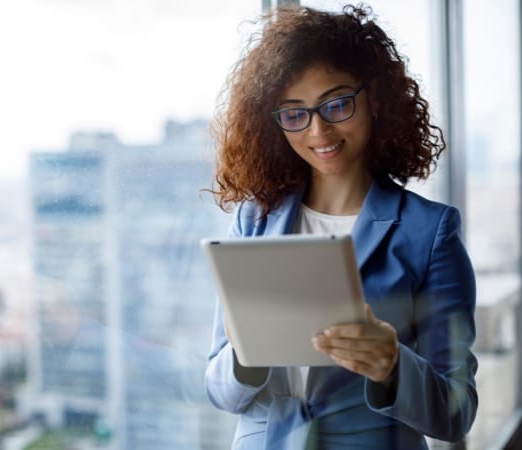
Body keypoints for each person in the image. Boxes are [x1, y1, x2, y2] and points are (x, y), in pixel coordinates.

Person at [204, 4, 477, 449]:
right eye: (295, 113)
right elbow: (219, 390)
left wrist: (392, 365)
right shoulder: (254, 220)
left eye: (336, 105)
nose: (318, 131)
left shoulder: (429, 232)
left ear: (375, 100)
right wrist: (243, 355)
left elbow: (457, 412)